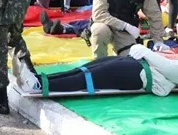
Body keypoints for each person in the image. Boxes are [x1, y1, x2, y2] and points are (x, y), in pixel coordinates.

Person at [15, 44, 178, 97]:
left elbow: (169, 69)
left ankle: (40, 87)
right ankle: (38, 80)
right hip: (139, 63)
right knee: (87, 68)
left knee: (92, 75)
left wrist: (142, 50)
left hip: (145, 74)